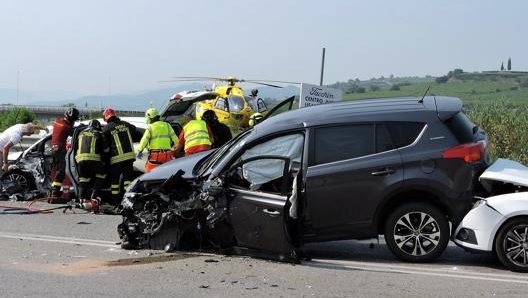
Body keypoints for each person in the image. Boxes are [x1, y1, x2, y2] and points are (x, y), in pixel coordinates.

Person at [102, 108, 137, 206]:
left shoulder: (106, 128)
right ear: (115, 115)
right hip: (129, 158)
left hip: (115, 159)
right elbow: (135, 131)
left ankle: (115, 203)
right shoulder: (126, 124)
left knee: (115, 182)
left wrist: (104, 158)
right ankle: (128, 201)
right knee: (127, 180)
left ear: (106, 118)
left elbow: (105, 147)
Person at [75, 119, 109, 212]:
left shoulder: (81, 133)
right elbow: (106, 150)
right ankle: (94, 195)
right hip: (93, 158)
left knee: (83, 178)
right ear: (97, 126)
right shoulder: (99, 133)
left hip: (80, 159)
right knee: (101, 174)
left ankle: (81, 199)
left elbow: (76, 146)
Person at [50, 107, 80, 203]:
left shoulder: (58, 122)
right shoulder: (66, 127)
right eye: (74, 120)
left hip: (54, 149)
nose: (74, 122)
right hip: (60, 149)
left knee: (57, 172)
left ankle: (52, 194)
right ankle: (55, 194)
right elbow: (74, 133)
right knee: (61, 172)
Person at [136, 108, 179, 172]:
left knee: (150, 174)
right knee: (167, 173)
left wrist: (139, 150)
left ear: (150, 117)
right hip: (167, 155)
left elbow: (144, 140)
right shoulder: (167, 125)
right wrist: (175, 149)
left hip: (156, 156)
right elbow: (176, 140)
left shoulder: (150, 127)